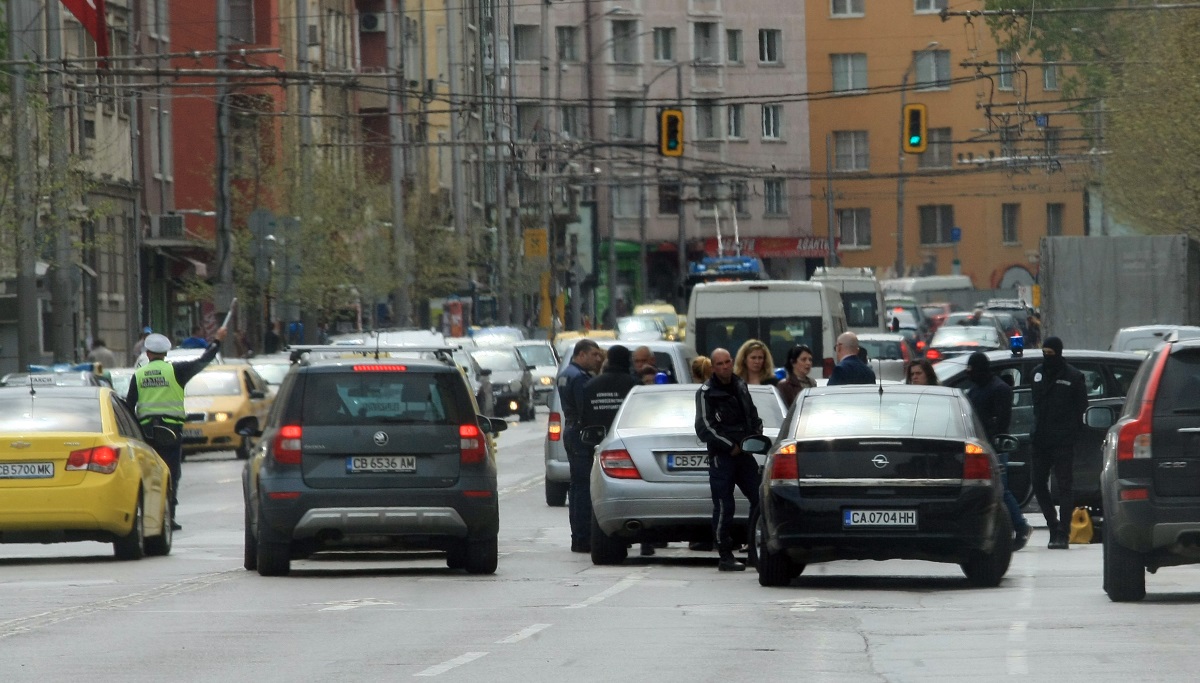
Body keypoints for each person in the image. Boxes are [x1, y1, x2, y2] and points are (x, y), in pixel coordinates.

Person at [126, 326, 228, 531]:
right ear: (165, 353)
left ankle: (149, 517)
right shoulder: (176, 370)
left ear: (147, 353)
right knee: (171, 474)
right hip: (171, 432)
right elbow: (203, 361)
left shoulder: (139, 375)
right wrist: (217, 341)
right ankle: (168, 517)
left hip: (147, 434)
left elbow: (129, 406)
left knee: (149, 476)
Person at [695, 348, 763, 572]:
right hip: (723, 457)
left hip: (745, 454)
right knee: (725, 505)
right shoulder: (706, 392)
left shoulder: (740, 385)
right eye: (720, 364)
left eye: (728, 362)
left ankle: (755, 549)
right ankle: (725, 554)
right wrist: (729, 446)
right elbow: (704, 427)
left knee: (760, 498)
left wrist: (755, 435)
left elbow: (752, 414)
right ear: (713, 367)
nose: (725, 367)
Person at [964, 352, 1033, 551]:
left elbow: (1002, 421)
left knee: (1000, 489)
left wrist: (992, 438)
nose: (969, 373)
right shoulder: (976, 390)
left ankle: (1020, 526)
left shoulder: (999, 389)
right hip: (979, 445)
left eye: (971, 369)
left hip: (995, 447)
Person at [579, 345, 644, 555]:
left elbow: (585, 418)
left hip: (599, 444)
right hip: (628, 447)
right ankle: (645, 543)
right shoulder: (634, 386)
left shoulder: (590, 386)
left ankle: (592, 536)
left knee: (597, 493)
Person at [1030, 336, 1088, 550]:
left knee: (1064, 487)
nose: (1047, 357)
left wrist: (1071, 433)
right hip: (1040, 440)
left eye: (1051, 353)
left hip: (1063, 441)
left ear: (1059, 353)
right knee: (1037, 483)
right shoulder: (1036, 373)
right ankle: (1052, 526)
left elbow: (1081, 407)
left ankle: (1063, 533)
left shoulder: (1073, 377)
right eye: (1044, 352)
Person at [558, 338, 604, 553]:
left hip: (571, 430)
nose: (598, 358)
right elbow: (585, 408)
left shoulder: (566, 374)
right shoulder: (579, 378)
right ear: (581, 354)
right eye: (594, 354)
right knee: (584, 487)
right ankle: (583, 536)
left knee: (576, 487)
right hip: (580, 433)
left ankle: (578, 536)